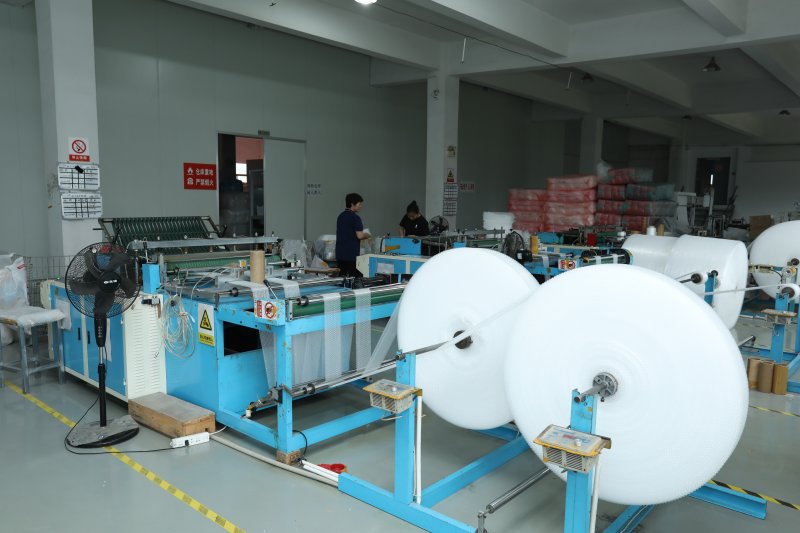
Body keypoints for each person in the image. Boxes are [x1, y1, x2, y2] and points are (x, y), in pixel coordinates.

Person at [336, 193, 370, 277]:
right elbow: (360, 236)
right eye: (359, 204)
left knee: (341, 278)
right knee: (353, 279)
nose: (361, 206)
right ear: (352, 204)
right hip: (351, 255)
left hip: (340, 254)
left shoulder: (340, 216)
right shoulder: (355, 218)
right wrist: (367, 235)